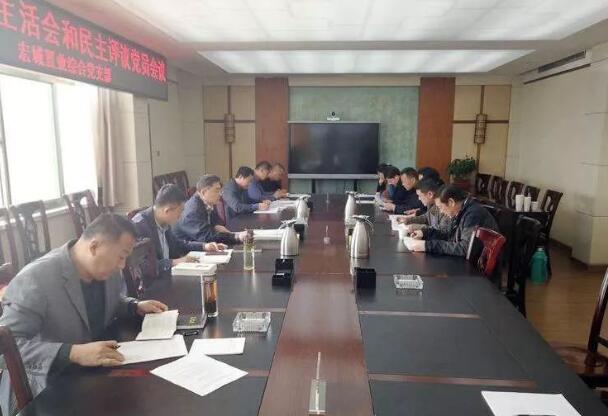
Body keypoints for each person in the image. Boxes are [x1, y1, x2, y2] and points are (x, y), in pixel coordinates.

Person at [0, 214, 168, 415]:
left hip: (91, 377)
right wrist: (72, 353)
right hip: (45, 390)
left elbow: (110, 301)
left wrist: (134, 306)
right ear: (94, 246)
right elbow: (5, 348)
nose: (122, 266)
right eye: (121, 256)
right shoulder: (35, 279)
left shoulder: (105, 270)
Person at [132, 184, 227, 274]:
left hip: (169, 275)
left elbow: (177, 244)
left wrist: (204, 246)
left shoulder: (164, 221)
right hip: (154, 282)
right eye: (180, 211)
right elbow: (142, 266)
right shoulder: (140, 226)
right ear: (168, 210)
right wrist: (174, 262)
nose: (181, 216)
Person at [406, 184, 498, 256]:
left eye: (440, 207)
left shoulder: (473, 214)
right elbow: (446, 232)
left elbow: (465, 248)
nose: (441, 212)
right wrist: (423, 233)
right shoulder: (459, 210)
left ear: (451, 202)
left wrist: (426, 246)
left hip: (475, 268)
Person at [174, 175, 246, 246]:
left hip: (203, 243)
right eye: (217, 191)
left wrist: (216, 225)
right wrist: (236, 237)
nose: (220, 194)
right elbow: (207, 237)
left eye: (220, 190)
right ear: (203, 192)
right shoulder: (192, 211)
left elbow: (215, 219)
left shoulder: (207, 202)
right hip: (187, 250)